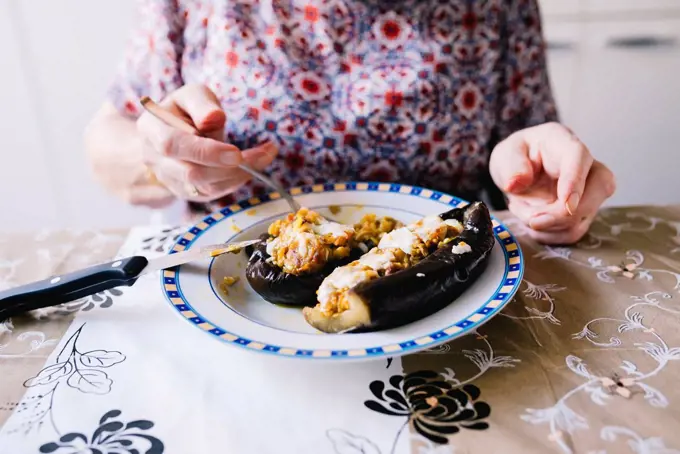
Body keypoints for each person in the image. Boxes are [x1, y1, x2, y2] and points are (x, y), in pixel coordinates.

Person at [84, 0, 615, 245]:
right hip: (227, 288)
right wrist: (157, 159)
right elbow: (107, 143)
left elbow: (523, 147)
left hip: (435, 291)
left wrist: (540, 184)